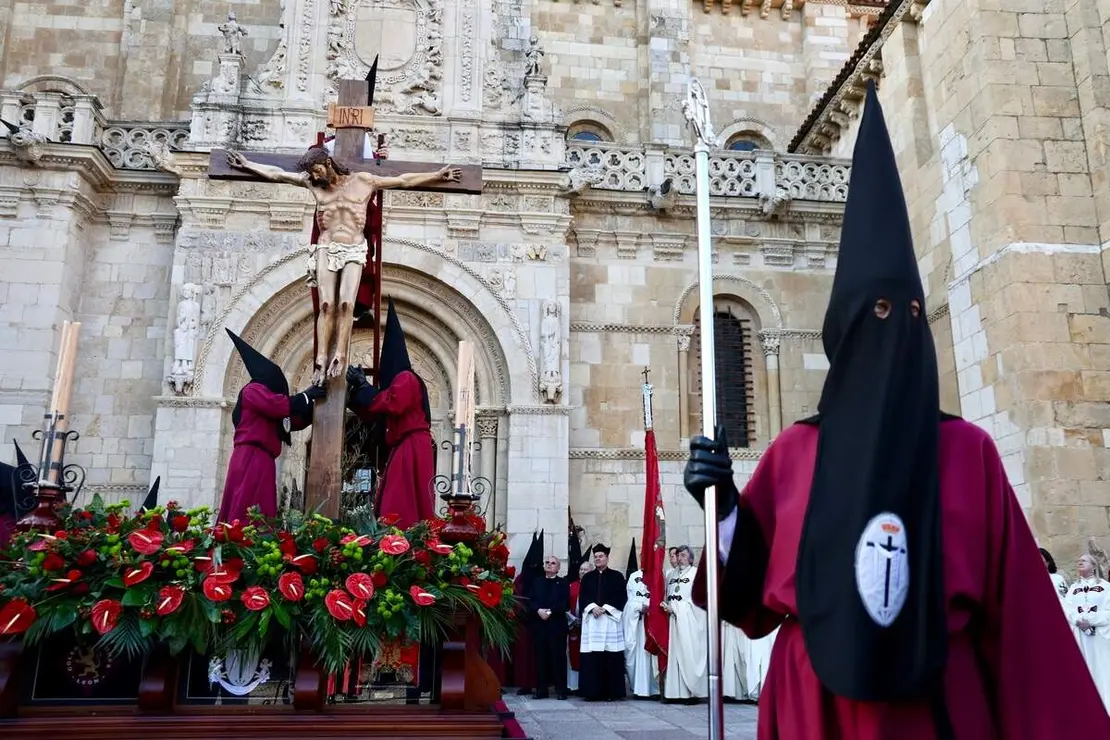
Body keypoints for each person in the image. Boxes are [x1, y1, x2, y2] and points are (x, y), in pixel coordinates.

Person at [683, 80, 1110, 739]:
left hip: (939, 700)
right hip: (813, 702)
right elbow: (747, 602)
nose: (897, 327)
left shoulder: (969, 451)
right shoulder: (795, 452)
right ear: (847, 329)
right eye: (879, 311)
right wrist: (724, 507)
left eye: (909, 313)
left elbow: (1026, 629)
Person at [226, 148, 461, 382]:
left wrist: (438, 175)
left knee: (347, 303)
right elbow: (277, 174)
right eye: (312, 173)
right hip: (326, 246)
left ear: (328, 163)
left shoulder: (363, 181)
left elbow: (403, 180)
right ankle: (320, 358)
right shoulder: (312, 183)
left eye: (317, 170)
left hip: (354, 247)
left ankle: (340, 353)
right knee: (327, 304)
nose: (316, 176)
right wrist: (247, 164)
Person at [346, 298, 435, 529]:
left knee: (401, 503)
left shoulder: (406, 377)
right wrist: (357, 392)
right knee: (396, 498)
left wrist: (365, 387)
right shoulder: (399, 382)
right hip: (404, 447)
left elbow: (391, 403)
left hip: (411, 446)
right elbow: (376, 412)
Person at [219, 330, 323, 523]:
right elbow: (279, 406)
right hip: (250, 458)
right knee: (245, 509)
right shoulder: (252, 391)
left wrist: (314, 405)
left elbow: (291, 423)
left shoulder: (268, 410)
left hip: (262, 461)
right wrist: (307, 395)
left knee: (262, 511)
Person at [577, 543, 627, 701]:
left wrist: (605, 608)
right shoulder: (587, 577)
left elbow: (621, 597)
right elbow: (583, 596)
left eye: (601, 556)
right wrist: (592, 608)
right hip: (593, 622)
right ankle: (591, 692)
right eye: (596, 557)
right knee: (592, 657)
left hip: (610, 621)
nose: (598, 559)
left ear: (607, 558)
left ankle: (610, 693)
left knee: (610, 657)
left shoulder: (617, 576)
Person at [661, 545, 706, 702]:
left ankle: (690, 692)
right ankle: (674, 692)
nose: (680, 558)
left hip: (689, 622)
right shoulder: (671, 574)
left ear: (691, 558)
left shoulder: (696, 574)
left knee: (687, 653)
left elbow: (698, 599)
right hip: (673, 620)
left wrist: (677, 609)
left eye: (684, 555)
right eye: (679, 555)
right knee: (674, 654)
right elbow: (668, 594)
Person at [1065, 553, 1110, 710]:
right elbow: (1067, 608)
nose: (1079, 562)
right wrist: (1078, 620)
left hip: (1099, 635)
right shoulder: (1073, 588)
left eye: (1083, 560)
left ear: (1094, 566)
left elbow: (1108, 610)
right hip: (1080, 635)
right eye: (1078, 561)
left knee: (1101, 668)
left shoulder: (1105, 587)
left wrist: (1091, 621)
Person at [527, 555, 570, 700]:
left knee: (558, 658)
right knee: (541, 658)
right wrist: (538, 610)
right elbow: (530, 600)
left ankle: (561, 690)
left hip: (556, 626)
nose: (549, 565)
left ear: (558, 568)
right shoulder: (537, 582)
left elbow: (564, 603)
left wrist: (550, 612)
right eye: (547, 562)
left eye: (553, 563)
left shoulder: (563, 583)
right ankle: (541, 690)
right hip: (539, 626)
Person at [621, 564, 659, 698]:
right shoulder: (633, 576)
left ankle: (654, 689)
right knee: (632, 650)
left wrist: (650, 607)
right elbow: (630, 599)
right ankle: (638, 688)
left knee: (651, 654)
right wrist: (638, 607)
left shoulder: (659, 574)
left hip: (652, 621)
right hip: (636, 622)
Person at [567, 560, 591, 693]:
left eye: (585, 570)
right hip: (573, 625)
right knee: (573, 653)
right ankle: (573, 685)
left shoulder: (593, 586)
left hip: (588, 625)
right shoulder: (572, 586)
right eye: (581, 569)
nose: (582, 572)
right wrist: (572, 619)